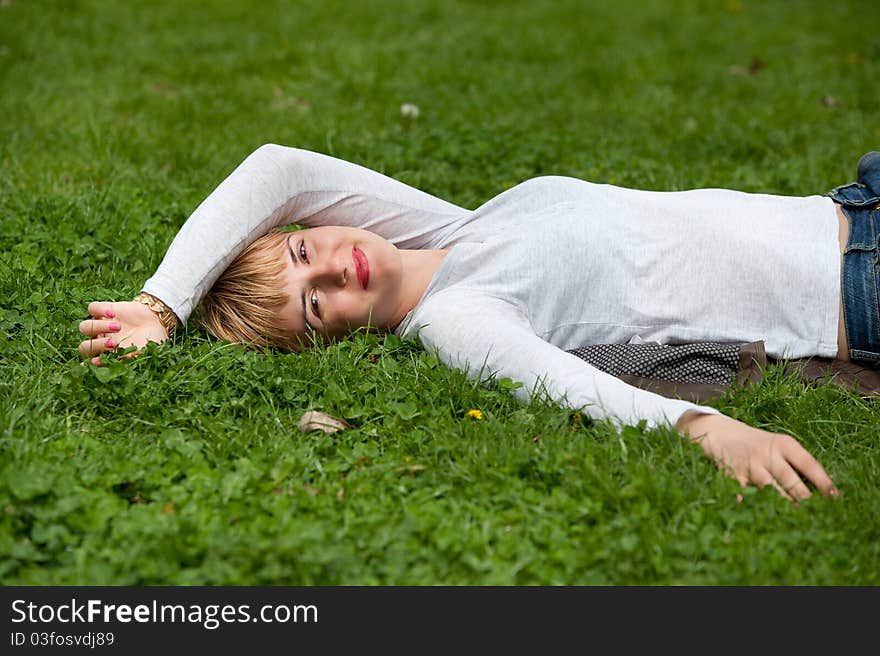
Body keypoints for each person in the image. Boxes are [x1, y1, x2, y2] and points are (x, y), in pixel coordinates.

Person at [78, 145, 880, 502]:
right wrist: (708, 428)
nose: (331, 264)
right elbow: (562, 382)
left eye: (300, 248)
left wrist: (162, 304)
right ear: (337, 338)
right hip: (858, 285)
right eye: (316, 301)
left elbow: (279, 169)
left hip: (850, 204)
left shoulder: (457, 229)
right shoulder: (458, 317)